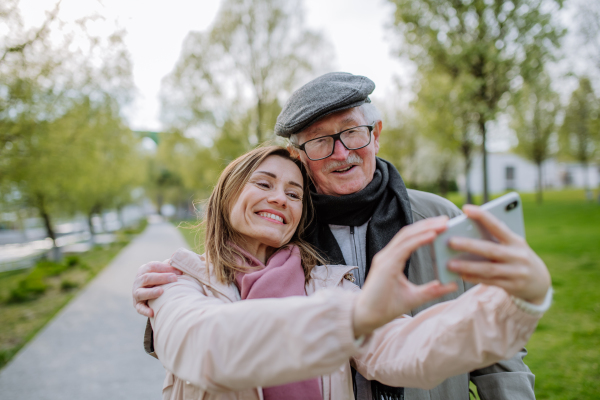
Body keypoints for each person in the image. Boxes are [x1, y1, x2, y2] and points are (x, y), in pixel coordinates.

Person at [134, 73, 550, 400]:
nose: (341, 153)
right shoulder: (180, 281)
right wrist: (356, 316)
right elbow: (209, 345)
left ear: (376, 132)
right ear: (226, 196)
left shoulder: (327, 283)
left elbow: (406, 346)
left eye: (293, 192)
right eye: (263, 184)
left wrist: (517, 304)